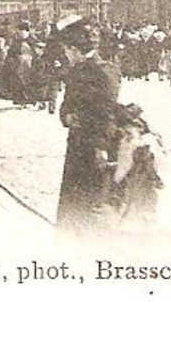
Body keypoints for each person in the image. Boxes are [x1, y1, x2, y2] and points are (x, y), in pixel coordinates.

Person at [55, 22, 124, 232]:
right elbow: (66, 106)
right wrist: (67, 116)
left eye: (67, 50)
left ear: (74, 50)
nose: (65, 54)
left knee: (94, 201)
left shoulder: (103, 72)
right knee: (76, 201)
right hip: (78, 143)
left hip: (95, 146)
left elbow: (106, 113)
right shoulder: (78, 71)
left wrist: (101, 147)